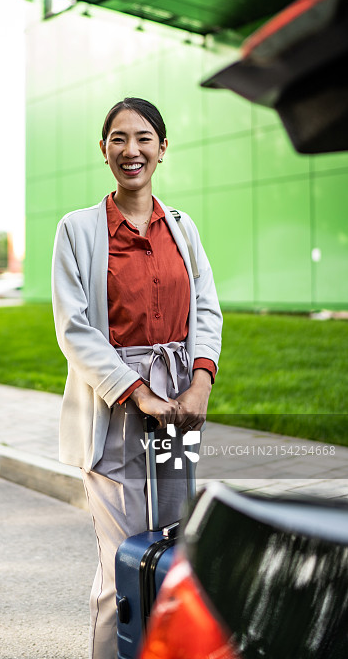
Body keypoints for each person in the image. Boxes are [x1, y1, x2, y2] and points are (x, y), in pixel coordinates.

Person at [51, 97, 222, 659]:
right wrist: (138, 392)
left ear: (162, 149)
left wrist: (199, 383)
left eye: (144, 138)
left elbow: (206, 310)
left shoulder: (182, 227)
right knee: (121, 566)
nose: (132, 150)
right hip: (113, 414)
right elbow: (75, 331)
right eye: (119, 139)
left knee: (173, 557)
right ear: (104, 151)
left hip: (179, 410)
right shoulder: (77, 230)